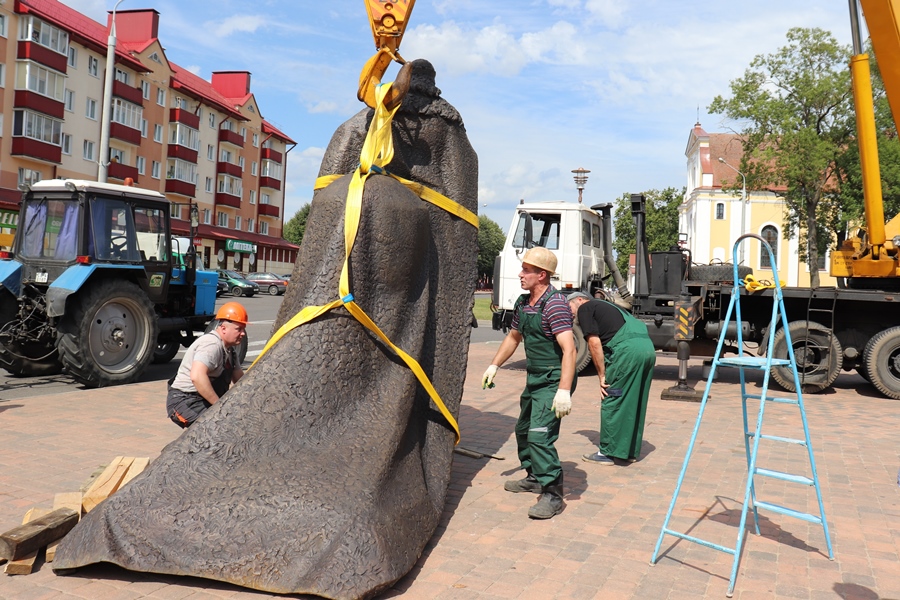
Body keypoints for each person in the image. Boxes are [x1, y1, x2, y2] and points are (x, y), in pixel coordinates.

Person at [482, 247, 576, 519]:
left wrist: (563, 391)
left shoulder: (555, 305)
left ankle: (553, 493)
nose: (520, 274)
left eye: (526, 270)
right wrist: (494, 365)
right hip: (535, 376)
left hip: (554, 379)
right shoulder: (524, 303)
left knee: (539, 434)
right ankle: (534, 476)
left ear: (542, 275)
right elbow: (513, 338)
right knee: (523, 429)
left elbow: (569, 350)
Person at [567, 291, 655, 464]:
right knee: (634, 401)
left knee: (612, 396)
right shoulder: (613, 307)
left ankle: (607, 453)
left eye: (568, 306)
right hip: (647, 349)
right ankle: (628, 451)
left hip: (626, 352)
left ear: (578, 300)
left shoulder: (585, 308)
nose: (569, 312)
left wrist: (602, 375)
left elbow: (593, 343)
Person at [166, 302, 248, 428]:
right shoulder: (211, 345)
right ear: (223, 328)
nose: (243, 333)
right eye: (239, 329)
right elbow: (197, 377)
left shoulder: (230, 351)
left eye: (244, 329)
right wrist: (219, 407)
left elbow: (240, 381)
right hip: (184, 401)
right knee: (218, 427)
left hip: (200, 399)